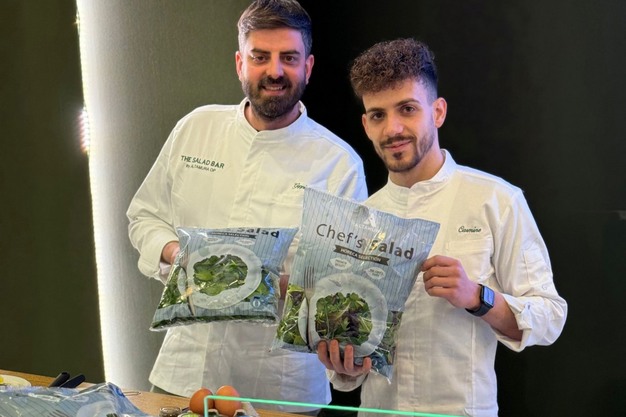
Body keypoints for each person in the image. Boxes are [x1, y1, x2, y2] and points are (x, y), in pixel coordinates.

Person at [126, 0, 368, 414]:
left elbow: (347, 284)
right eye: (260, 57)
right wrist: (180, 254)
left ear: (308, 67)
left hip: (283, 389)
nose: (275, 71)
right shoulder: (196, 128)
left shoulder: (338, 164)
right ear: (240, 63)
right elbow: (144, 216)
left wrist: (277, 284)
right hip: (184, 374)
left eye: (288, 58)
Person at [317, 38, 567, 417]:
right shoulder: (357, 220)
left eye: (407, 109)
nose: (393, 128)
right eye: (378, 115)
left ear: (437, 112)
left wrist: (476, 296)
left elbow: (550, 316)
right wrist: (345, 367)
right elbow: (349, 364)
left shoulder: (496, 200)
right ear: (366, 125)